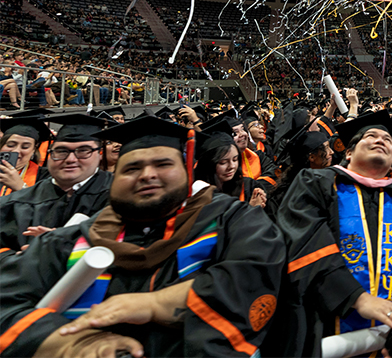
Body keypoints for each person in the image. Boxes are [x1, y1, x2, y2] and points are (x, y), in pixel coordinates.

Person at [0, 116, 286, 357]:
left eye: (163, 164)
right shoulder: (71, 240)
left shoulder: (232, 221)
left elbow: (254, 275)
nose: (147, 174)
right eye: (132, 168)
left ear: (188, 170)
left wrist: (152, 304)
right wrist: (72, 344)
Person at [271, 111, 392, 357]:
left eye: (388, 140)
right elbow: (306, 241)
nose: (381, 140)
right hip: (325, 326)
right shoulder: (316, 183)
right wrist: (357, 297)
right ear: (348, 152)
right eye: (371, 136)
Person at [0, 113, 114, 254]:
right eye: (61, 151)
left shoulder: (116, 195)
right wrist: (18, 259)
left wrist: (59, 243)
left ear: (100, 154)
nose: (71, 159)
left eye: (83, 151)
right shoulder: (18, 201)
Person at [199, 114, 278, 193]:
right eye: (235, 133)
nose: (242, 134)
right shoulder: (207, 167)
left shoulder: (258, 156)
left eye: (242, 129)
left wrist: (251, 187)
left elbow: (274, 174)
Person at [193, 132, 267, 207]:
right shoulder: (197, 192)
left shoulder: (249, 186)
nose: (232, 166)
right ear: (208, 164)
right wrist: (250, 210)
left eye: (235, 159)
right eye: (223, 162)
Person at [0, 117, 49, 196]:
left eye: (25, 147)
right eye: (10, 145)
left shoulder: (44, 177)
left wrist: (20, 187)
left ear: (33, 150)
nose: (16, 151)